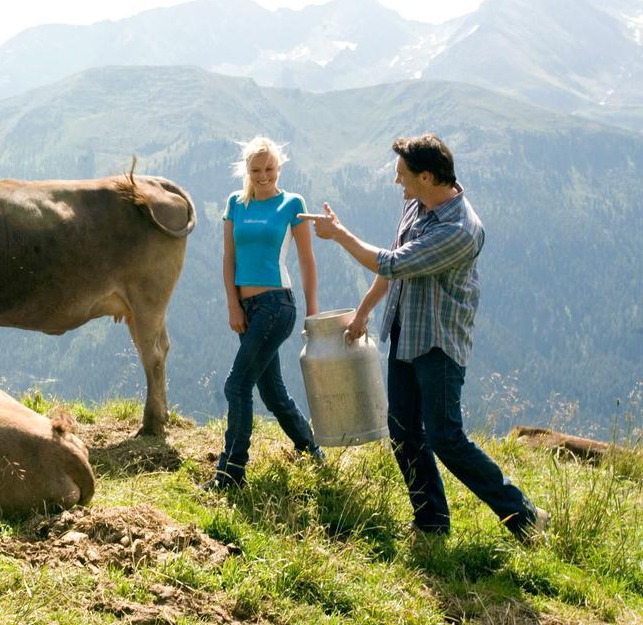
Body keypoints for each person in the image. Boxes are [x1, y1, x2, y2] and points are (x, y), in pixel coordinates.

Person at [309, 133, 548, 541]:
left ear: (427, 175)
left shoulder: (460, 230)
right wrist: (365, 312)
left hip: (439, 343)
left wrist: (340, 234)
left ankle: (525, 515)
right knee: (402, 428)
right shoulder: (416, 205)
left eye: (402, 175)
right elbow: (393, 268)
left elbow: (391, 261)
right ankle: (431, 522)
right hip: (406, 332)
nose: (396, 182)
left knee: (445, 437)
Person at [204, 136, 325, 491]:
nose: (263, 176)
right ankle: (310, 449)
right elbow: (229, 258)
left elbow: (306, 259)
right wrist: (232, 304)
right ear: (247, 170)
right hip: (247, 308)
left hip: (277, 305)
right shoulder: (234, 204)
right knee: (273, 394)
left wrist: (312, 312)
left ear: (279, 168)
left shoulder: (292, 204)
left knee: (237, 384)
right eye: (256, 170)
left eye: (269, 169)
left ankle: (231, 474)